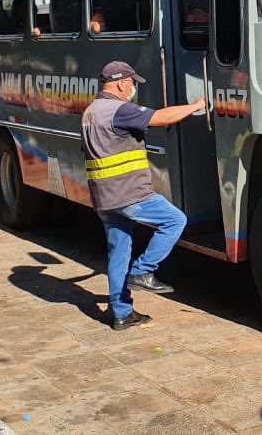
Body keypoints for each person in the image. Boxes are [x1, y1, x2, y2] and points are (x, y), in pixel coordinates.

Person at [82, 61, 207, 331]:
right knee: (175, 220)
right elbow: (160, 118)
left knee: (119, 250)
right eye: (132, 83)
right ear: (120, 83)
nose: (134, 88)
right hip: (128, 193)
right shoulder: (119, 110)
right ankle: (143, 271)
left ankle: (121, 313)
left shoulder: (91, 111)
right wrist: (196, 106)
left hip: (104, 198)